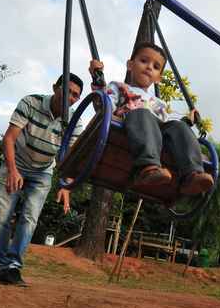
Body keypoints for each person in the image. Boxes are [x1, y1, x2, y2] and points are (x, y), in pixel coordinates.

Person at [0, 73, 85, 287]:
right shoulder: (30, 102)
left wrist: (65, 185)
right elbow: (9, 138)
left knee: (29, 218)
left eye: (75, 95)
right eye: (67, 91)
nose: (69, 97)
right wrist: (13, 171)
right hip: (15, 163)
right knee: (1, 216)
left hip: (43, 172)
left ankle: (13, 267)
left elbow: (70, 157)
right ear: (55, 87)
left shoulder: (73, 122)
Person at [88, 42, 213, 194]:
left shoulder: (158, 103)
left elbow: (168, 127)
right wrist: (97, 78)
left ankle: (192, 174)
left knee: (179, 127)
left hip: (155, 135)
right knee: (143, 113)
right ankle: (148, 167)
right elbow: (103, 106)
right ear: (130, 65)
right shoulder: (120, 87)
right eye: (144, 61)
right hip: (129, 128)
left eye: (155, 66)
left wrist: (187, 122)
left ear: (158, 78)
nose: (149, 67)